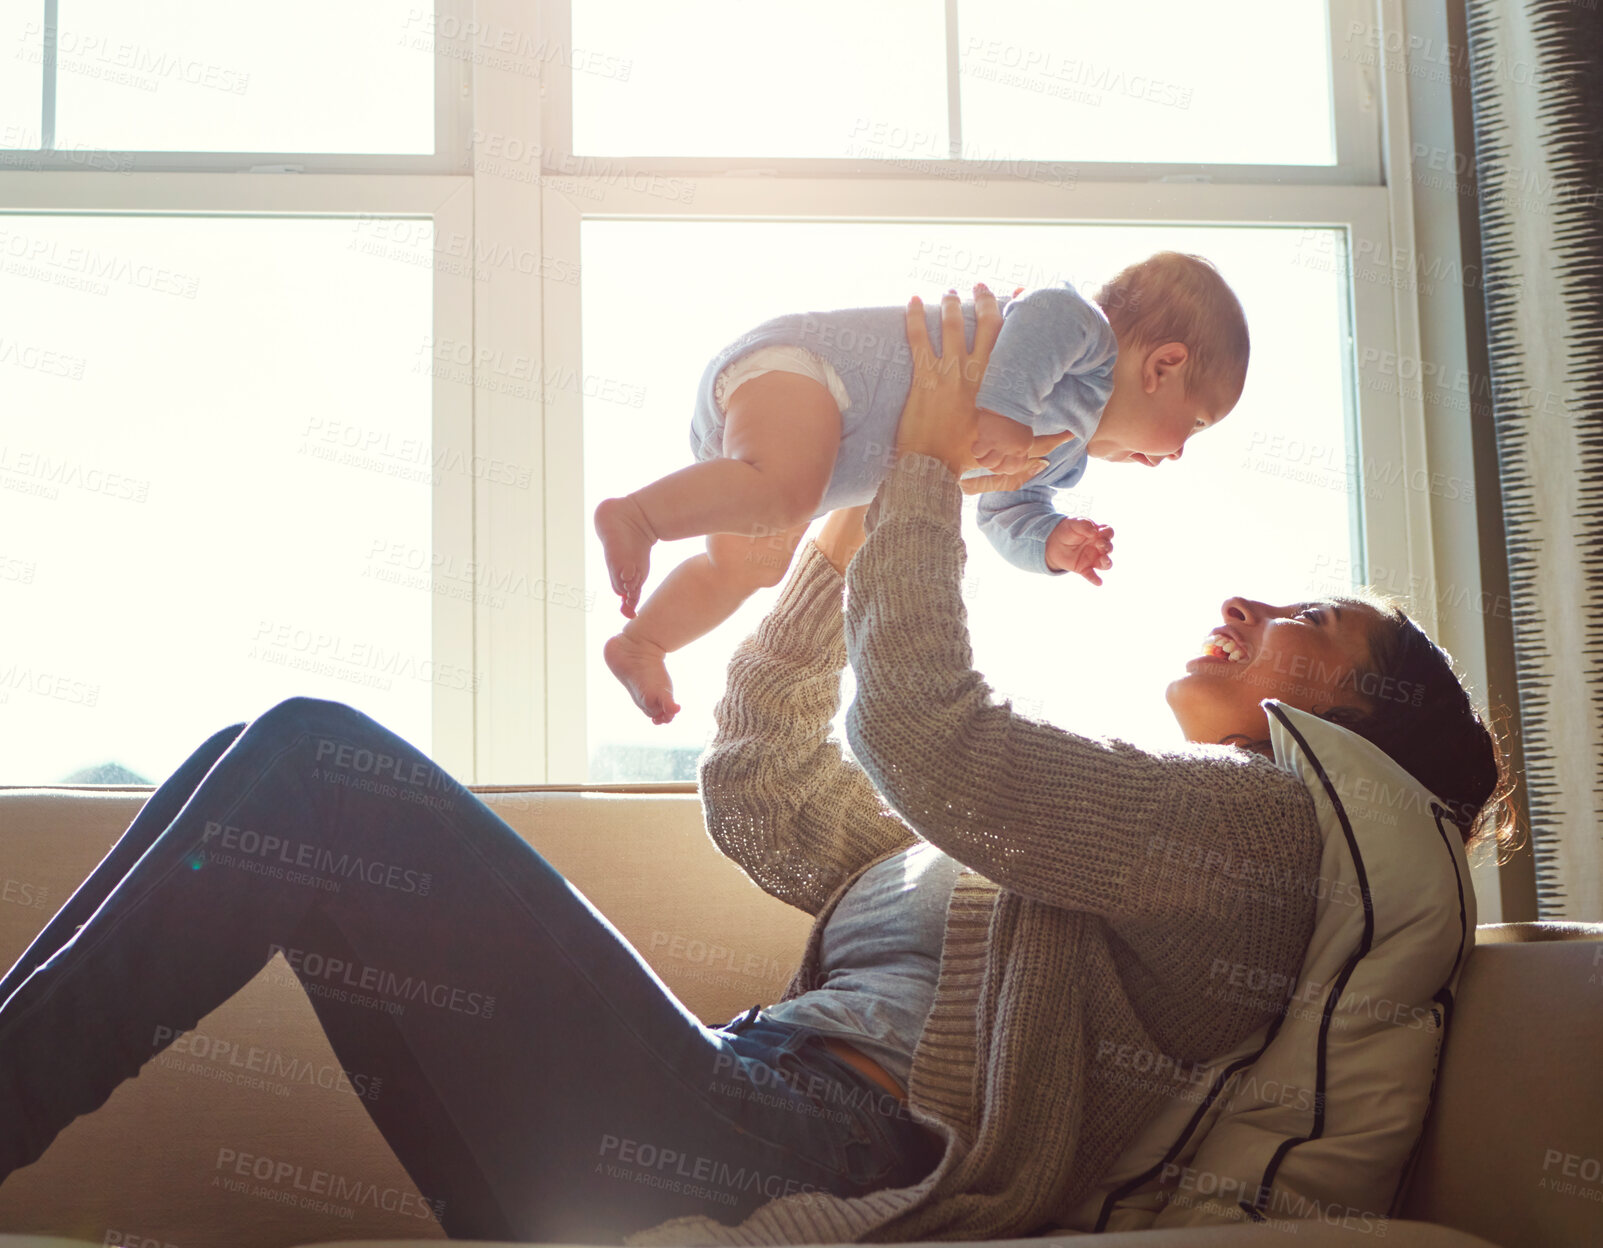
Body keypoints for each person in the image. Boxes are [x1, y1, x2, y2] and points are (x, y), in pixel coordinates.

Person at [0, 289, 1513, 1246]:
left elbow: (935, 738)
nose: (1247, 608)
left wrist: (921, 464)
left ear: (1356, 729)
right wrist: (851, 527)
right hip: (732, 1095)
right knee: (252, 766)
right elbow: (769, 794)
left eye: (1304, 621)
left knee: (316, 766)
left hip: (797, 1148)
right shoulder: (1079, 856)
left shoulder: (1268, 839)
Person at [595, 251, 1250, 724]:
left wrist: (1051, 543)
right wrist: (1003, 408)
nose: (1176, 455)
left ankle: (643, 642)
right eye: (1193, 424)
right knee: (786, 494)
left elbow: (1003, 512)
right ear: (1164, 366)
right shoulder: (1089, 340)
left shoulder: (1061, 457)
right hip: (811, 376)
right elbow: (1040, 319)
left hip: (776, 463)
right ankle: (639, 518)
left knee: (748, 567)